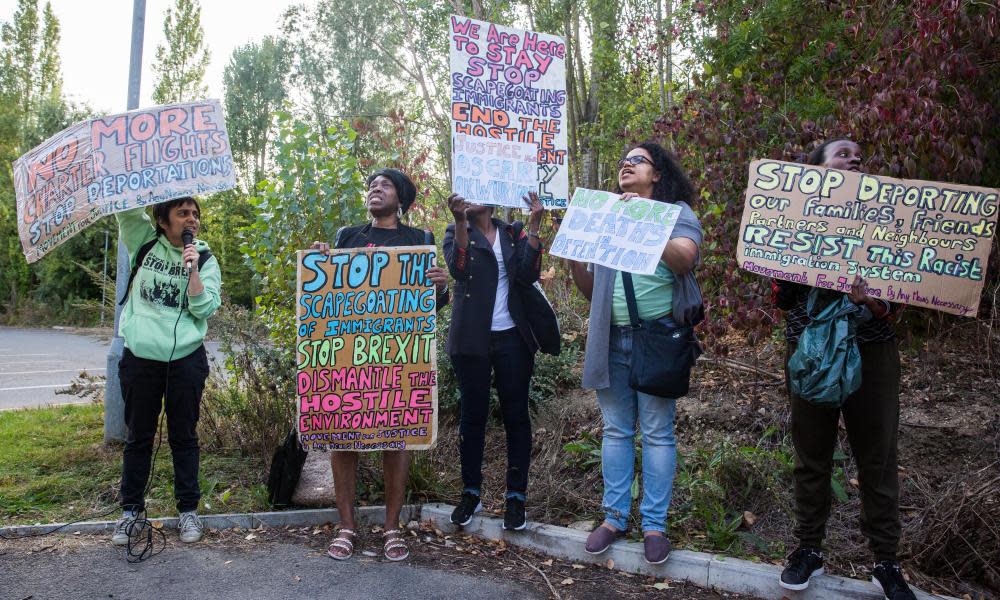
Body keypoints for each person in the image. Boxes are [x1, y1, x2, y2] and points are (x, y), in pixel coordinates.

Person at [773, 139, 915, 600]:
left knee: (877, 455)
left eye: (858, 155)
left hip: (871, 350)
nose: (854, 158)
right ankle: (808, 550)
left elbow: (901, 299)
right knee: (811, 453)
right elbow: (782, 295)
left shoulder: (889, 223)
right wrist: (817, 271)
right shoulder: (792, 219)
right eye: (841, 153)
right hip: (811, 349)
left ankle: (886, 561)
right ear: (815, 169)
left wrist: (870, 300)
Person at [567, 142, 702, 565]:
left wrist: (641, 216)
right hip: (611, 338)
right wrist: (576, 251)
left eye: (638, 159)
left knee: (659, 432)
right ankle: (613, 518)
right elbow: (591, 291)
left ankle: (655, 524)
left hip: (659, 338)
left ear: (657, 174)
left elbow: (684, 260)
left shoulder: (676, 213)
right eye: (623, 158)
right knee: (616, 431)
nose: (626, 163)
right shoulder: (607, 212)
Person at [311, 168, 449, 562]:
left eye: (385, 185)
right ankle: (347, 526)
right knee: (342, 434)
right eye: (372, 184)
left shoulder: (419, 239)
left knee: (397, 435)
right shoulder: (345, 237)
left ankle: (391, 527)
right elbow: (328, 293)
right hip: (349, 353)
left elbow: (430, 305)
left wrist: (440, 287)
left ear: (401, 198)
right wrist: (322, 264)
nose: (375, 188)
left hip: (398, 352)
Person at [111, 196, 222, 546]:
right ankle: (130, 513)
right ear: (163, 220)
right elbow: (125, 205)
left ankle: (188, 512)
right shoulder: (143, 240)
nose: (191, 219)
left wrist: (192, 270)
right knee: (138, 437)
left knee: (184, 437)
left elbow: (203, 309)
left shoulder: (204, 258)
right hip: (140, 359)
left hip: (186, 359)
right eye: (182, 213)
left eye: (194, 214)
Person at [443, 191, 545, 531]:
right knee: (473, 417)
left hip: (513, 337)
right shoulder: (456, 231)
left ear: (493, 196)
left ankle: (516, 498)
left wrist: (533, 225)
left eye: (477, 192)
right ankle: (471, 493)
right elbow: (459, 271)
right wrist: (459, 221)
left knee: (516, 416)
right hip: (471, 338)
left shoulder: (512, 232)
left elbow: (529, 275)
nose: (469, 198)